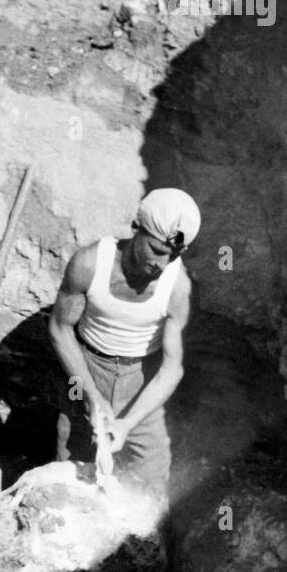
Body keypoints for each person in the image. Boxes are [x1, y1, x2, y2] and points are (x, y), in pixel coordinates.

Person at [48, 187, 199, 497]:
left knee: (151, 479)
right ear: (135, 227)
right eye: (157, 250)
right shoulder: (90, 264)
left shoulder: (177, 288)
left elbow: (172, 370)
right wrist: (91, 396)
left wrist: (127, 423)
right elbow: (60, 329)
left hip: (143, 379)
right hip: (86, 367)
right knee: (71, 470)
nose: (161, 263)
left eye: (172, 256)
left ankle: (142, 542)